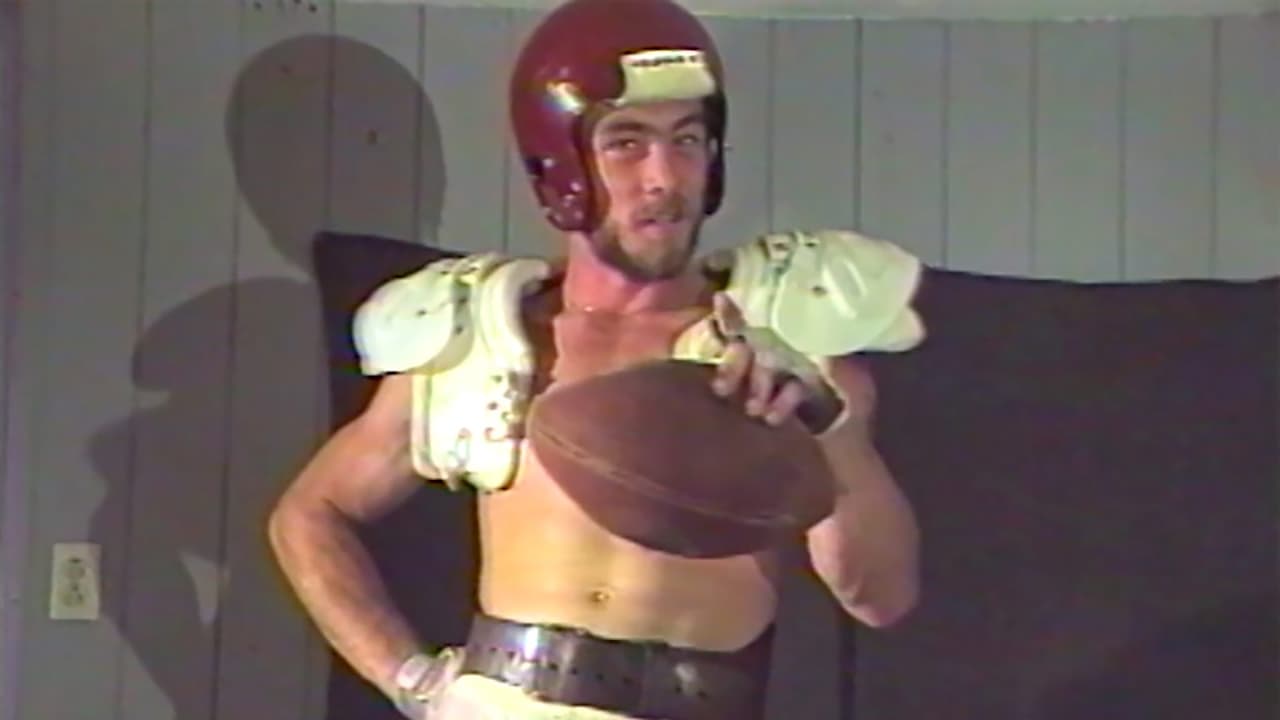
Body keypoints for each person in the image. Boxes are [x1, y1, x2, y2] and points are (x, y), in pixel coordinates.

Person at [267, 0, 927, 717]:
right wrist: (414, 682)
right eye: (627, 143)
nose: (664, 178)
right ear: (562, 166)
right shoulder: (484, 331)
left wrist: (828, 432)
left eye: (687, 140)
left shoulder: (781, 339)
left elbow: (882, 597)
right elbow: (309, 515)